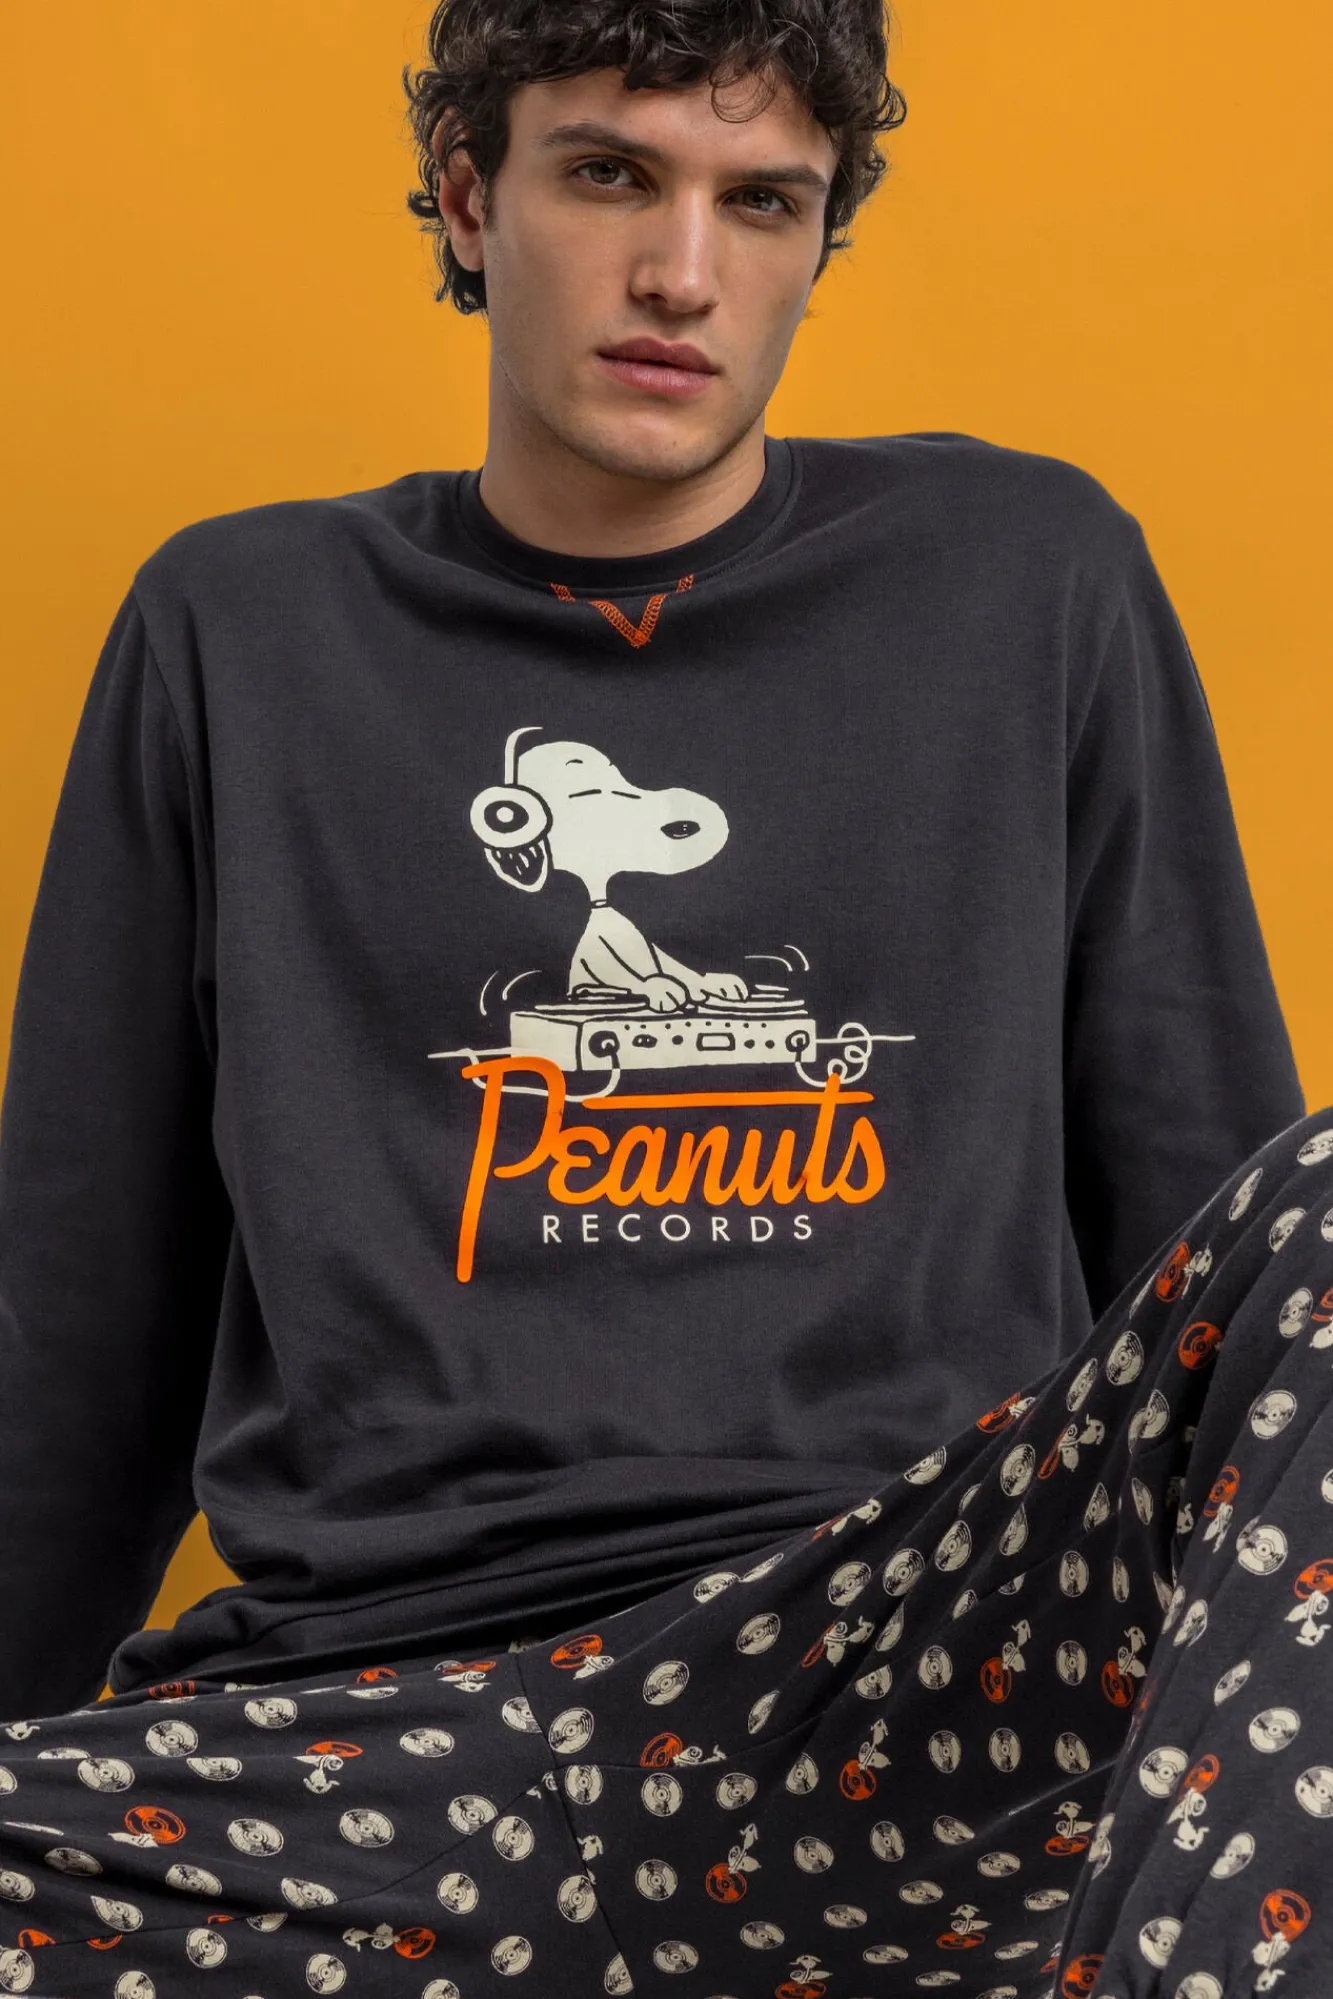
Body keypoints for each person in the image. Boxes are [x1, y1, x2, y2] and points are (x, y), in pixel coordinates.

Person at [0, 1, 1322, 1992]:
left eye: (762, 202)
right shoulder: (237, 628)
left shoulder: (1026, 576)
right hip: (404, 1732)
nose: (682, 274)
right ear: (471, 194)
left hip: (910, 1681)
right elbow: (78, 1326)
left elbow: (1226, 1245)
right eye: (611, 174)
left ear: (819, 237)